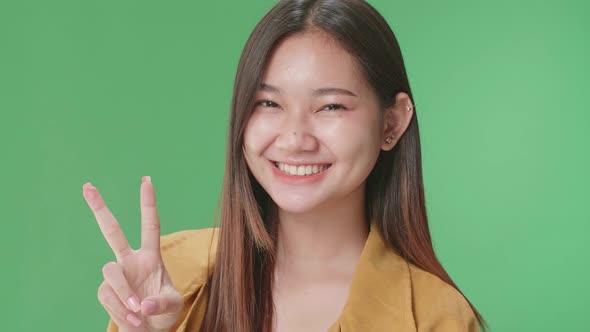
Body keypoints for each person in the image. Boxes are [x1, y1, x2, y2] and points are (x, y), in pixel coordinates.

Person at [83, 0, 488, 331]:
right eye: (269, 103)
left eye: (331, 105)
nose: (295, 138)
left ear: (392, 122)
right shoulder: (173, 281)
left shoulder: (438, 318)